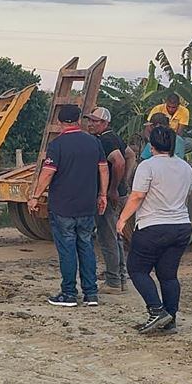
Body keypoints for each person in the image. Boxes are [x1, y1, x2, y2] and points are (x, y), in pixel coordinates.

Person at [28, 104, 109, 307]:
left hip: (63, 206)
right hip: (87, 205)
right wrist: (103, 195)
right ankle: (91, 294)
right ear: (79, 120)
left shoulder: (57, 145)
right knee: (87, 247)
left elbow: (47, 173)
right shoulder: (93, 142)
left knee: (67, 250)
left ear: (60, 122)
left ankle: (69, 294)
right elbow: (103, 169)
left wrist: (35, 196)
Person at [117, 126, 192, 334]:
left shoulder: (148, 167)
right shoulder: (186, 168)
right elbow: (186, 195)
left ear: (151, 146)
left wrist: (122, 219)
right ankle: (170, 319)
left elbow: (137, 196)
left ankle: (156, 310)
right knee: (168, 275)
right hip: (181, 227)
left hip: (153, 226)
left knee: (137, 269)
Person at [82, 106, 134, 293]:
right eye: (89, 120)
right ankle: (120, 277)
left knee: (107, 236)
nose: (90, 124)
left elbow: (119, 160)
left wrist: (111, 188)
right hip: (119, 193)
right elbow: (130, 155)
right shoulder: (115, 137)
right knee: (116, 235)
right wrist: (124, 182)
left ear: (105, 123)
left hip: (109, 195)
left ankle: (113, 281)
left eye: (95, 121)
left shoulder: (105, 139)